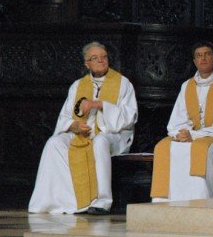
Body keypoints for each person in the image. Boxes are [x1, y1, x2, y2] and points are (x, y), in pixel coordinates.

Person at [29, 42, 138, 214]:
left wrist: (100, 104)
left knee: (100, 141)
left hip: (113, 135)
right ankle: (59, 199)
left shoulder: (123, 84)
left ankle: (102, 201)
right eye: (95, 58)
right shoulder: (78, 85)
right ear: (86, 64)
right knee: (54, 143)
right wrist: (74, 125)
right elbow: (65, 116)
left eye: (104, 57)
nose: (101, 61)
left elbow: (129, 117)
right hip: (83, 134)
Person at [150, 41, 213, 201]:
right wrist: (181, 133)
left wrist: (194, 135)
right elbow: (177, 119)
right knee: (163, 147)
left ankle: (202, 198)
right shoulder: (187, 86)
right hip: (190, 136)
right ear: (194, 61)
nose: (202, 58)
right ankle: (166, 200)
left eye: (207, 54)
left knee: (198, 150)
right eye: (198, 55)